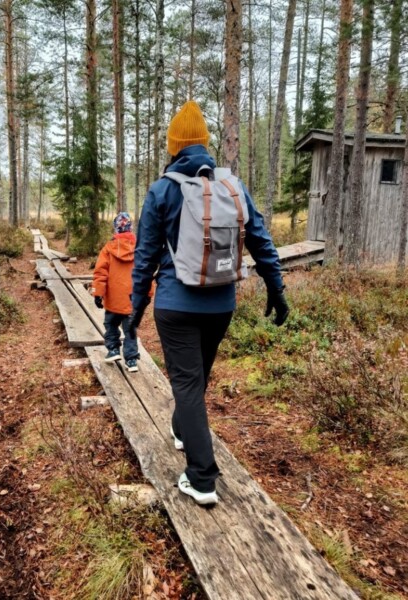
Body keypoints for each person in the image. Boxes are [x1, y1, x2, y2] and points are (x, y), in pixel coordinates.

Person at [129, 100, 289, 505]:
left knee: (187, 382)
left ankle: (202, 478)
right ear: (205, 143)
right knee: (194, 379)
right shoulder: (232, 186)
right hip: (220, 305)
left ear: (173, 146)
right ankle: (182, 431)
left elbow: (144, 257)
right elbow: (261, 240)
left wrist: (134, 310)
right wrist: (277, 289)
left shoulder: (163, 190)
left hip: (175, 304)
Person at [92, 212, 141, 373]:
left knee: (111, 324)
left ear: (116, 228)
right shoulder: (140, 247)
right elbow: (145, 272)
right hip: (132, 299)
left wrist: (98, 293)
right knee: (130, 329)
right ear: (130, 228)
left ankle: (113, 350)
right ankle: (132, 360)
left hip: (113, 298)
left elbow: (100, 272)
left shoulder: (108, 248)